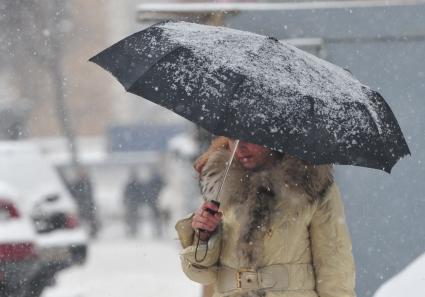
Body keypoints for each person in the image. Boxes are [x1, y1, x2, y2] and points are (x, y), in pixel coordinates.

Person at [175, 137, 356, 297]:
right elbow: (201, 275)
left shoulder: (311, 185)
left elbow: (334, 268)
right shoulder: (220, 184)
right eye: (233, 138)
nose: (240, 147)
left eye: (249, 137)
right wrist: (204, 237)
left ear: (273, 134)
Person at [69, 167, 99, 238]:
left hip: (89, 205)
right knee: (81, 221)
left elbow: (90, 195)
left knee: (91, 220)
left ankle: (93, 233)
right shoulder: (76, 183)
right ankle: (81, 234)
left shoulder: (88, 182)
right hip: (80, 205)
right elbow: (74, 194)